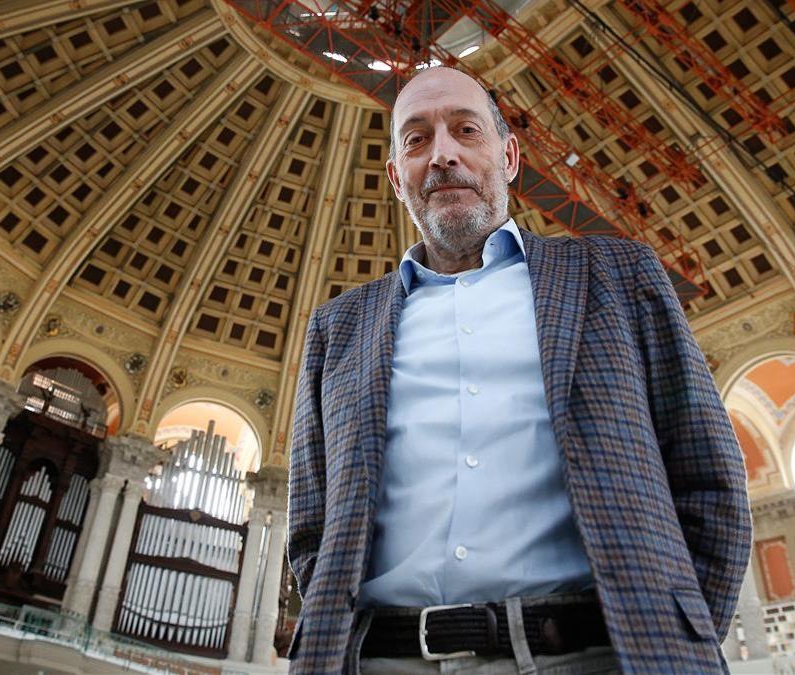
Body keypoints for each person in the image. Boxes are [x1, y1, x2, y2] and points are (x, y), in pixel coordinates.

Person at [286, 66, 751, 674]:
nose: (443, 154)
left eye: (466, 130)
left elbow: (707, 473)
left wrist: (675, 633)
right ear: (397, 177)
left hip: (596, 657)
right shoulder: (338, 326)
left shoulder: (619, 273)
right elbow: (311, 525)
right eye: (416, 139)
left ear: (507, 155)